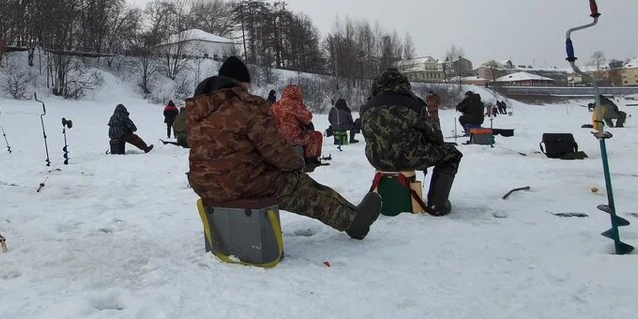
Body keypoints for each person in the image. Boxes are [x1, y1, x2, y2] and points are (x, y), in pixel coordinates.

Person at [187, 56, 379, 239]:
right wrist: (297, 163)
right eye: (248, 85)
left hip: (205, 185)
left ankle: (351, 215)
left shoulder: (199, 109)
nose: (249, 89)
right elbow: (276, 151)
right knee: (299, 185)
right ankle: (353, 222)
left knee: (278, 178)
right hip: (242, 184)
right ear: (241, 83)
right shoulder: (247, 105)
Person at [361, 69, 463, 216]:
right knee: (452, 153)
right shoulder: (414, 104)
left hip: (376, 159)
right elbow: (436, 138)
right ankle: (438, 203)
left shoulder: (366, 107)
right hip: (409, 158)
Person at [271, 84, 325, 166]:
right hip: (293, 138)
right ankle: (311, 160)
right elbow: (308, 119)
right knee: (316, 135)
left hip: (277, 138)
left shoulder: (275, 105)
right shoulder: (294, 104)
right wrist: (302, 105)